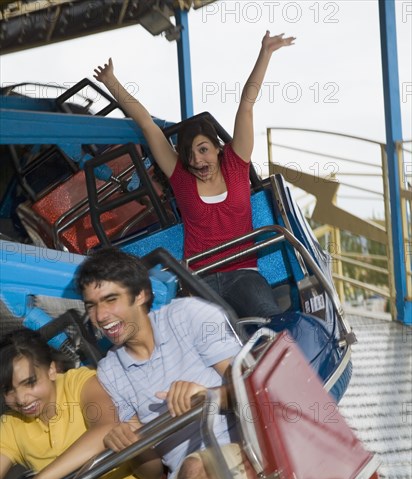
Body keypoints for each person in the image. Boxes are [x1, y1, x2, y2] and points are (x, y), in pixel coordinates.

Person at [93, 31, 295, 319]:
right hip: (200, 278)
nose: (197, 160)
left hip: (242, 273)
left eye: (203, 150)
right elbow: (147, 125)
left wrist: (265, 53)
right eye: (190, 154)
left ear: (218, 148)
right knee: (214, 329)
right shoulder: (181, 177)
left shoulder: (236, 164)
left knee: (266, 314)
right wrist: (111, 81)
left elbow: (246, 106)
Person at [73, 247, 263, 479]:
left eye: (111, 300)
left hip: (242, 454)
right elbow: (151, 473)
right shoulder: (110, 370)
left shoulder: (188, 316)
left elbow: (258, 389)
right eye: (91, 306)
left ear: (141, 296)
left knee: (196, 466)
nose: (100, 316)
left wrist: (209, 395)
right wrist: (132, 447)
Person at [0, 328, 163, 479]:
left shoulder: (79, 383)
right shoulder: (11, 425)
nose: (21, 398)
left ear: (51, 371)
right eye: (8, 390)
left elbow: (106, 429)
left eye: (29, 383)